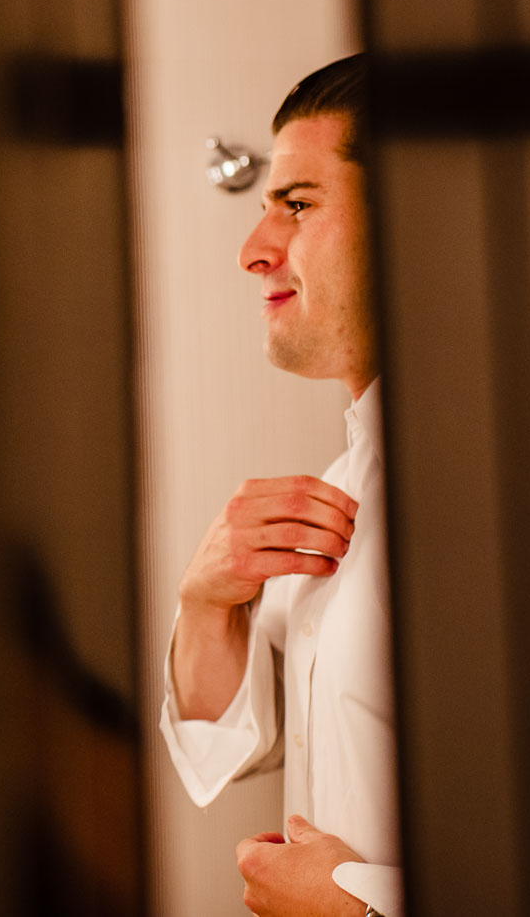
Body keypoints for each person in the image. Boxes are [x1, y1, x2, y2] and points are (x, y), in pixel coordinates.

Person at [158, 54, 403, 917]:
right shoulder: (344, 488)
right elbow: (234, 749)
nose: (253, 252)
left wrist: (356, 910)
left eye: (296, 205)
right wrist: (204, 601)